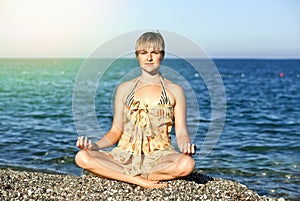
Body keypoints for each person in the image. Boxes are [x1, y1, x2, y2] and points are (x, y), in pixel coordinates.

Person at [75, 32, 196, 188]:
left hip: (160, 156)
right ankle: (139, 180)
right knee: (82, 157)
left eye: (155, 52)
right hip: (124, 156)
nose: (149, 58)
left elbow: (181, 132)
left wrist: (186, 146)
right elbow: (115, 132)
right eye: (143, 53)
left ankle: (128, 175)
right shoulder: (124, 89)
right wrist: (94, 146)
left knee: (187, 164)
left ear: (162, 55)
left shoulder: (175, 90)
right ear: (137, 56)